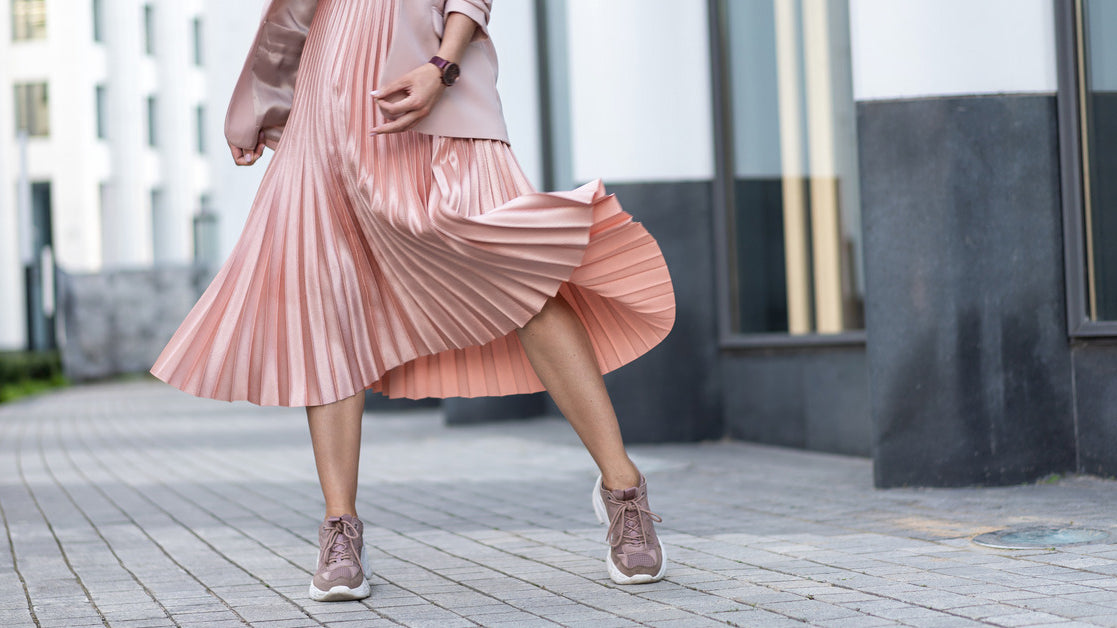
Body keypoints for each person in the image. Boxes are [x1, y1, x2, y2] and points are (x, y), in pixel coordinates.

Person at [152, 0, 675, 602]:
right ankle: (339, 528)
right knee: (328, 301)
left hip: (437, 87)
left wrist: (442, 65)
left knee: (525, 280)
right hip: (330, 107)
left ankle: (623, 488)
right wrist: (258, 105)